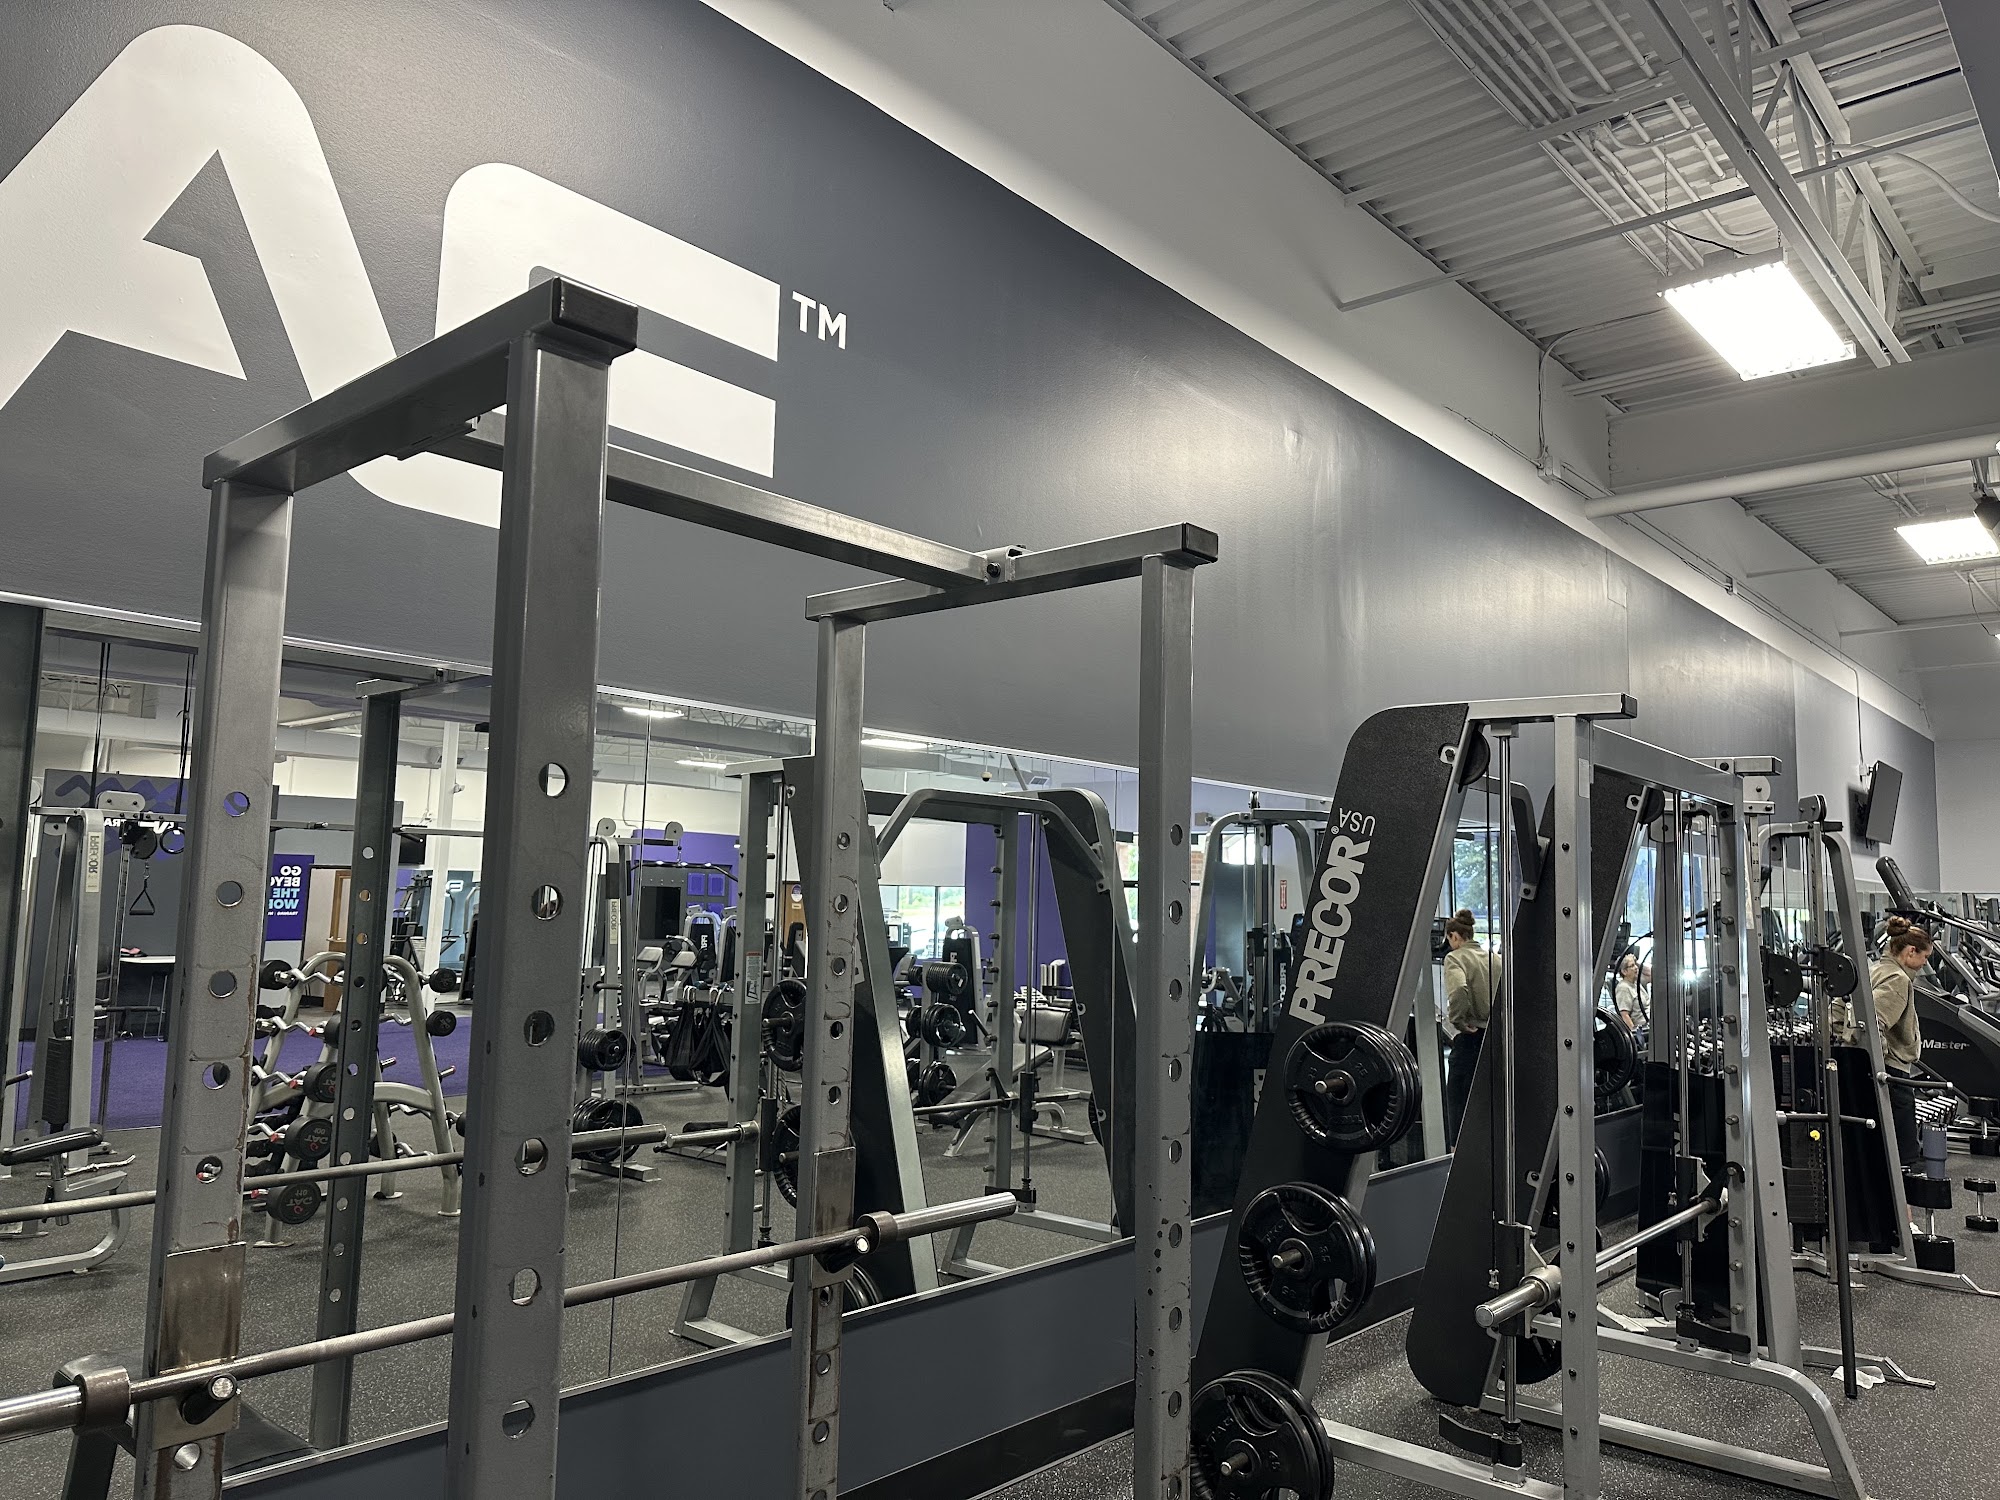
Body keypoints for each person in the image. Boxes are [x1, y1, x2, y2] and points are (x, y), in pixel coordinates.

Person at [1871, 915, 1931, 1176]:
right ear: (1910, 952)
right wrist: (1879, 1059)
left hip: (1887, 1065)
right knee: (1904, 1137)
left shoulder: (1875, 970)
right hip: (1891, 1068)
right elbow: (1874, 1021)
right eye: (1925, 957)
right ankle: (1907, 1176)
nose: (1925, 963)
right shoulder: (1897, 979)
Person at [1442, 908, 1500, 1147]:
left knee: (1458, 1098)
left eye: (1449, 939)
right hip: (1497, 1038)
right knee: (1490, 1097)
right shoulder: (1495, 959)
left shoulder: (1455, 958)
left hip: (1472, 1038)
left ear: (1455, 936)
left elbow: (1458, 990)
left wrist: (1458, 1021)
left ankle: (1458, 1153)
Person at [1612, 953, 1643, 1030]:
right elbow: (1624, 1015)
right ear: (1624, 971)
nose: (1636, 967)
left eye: (1635, 964)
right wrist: (1635, 1034)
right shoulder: (1623, 988)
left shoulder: (1636, 984)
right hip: (1642, 1030)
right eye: (1632, 966)